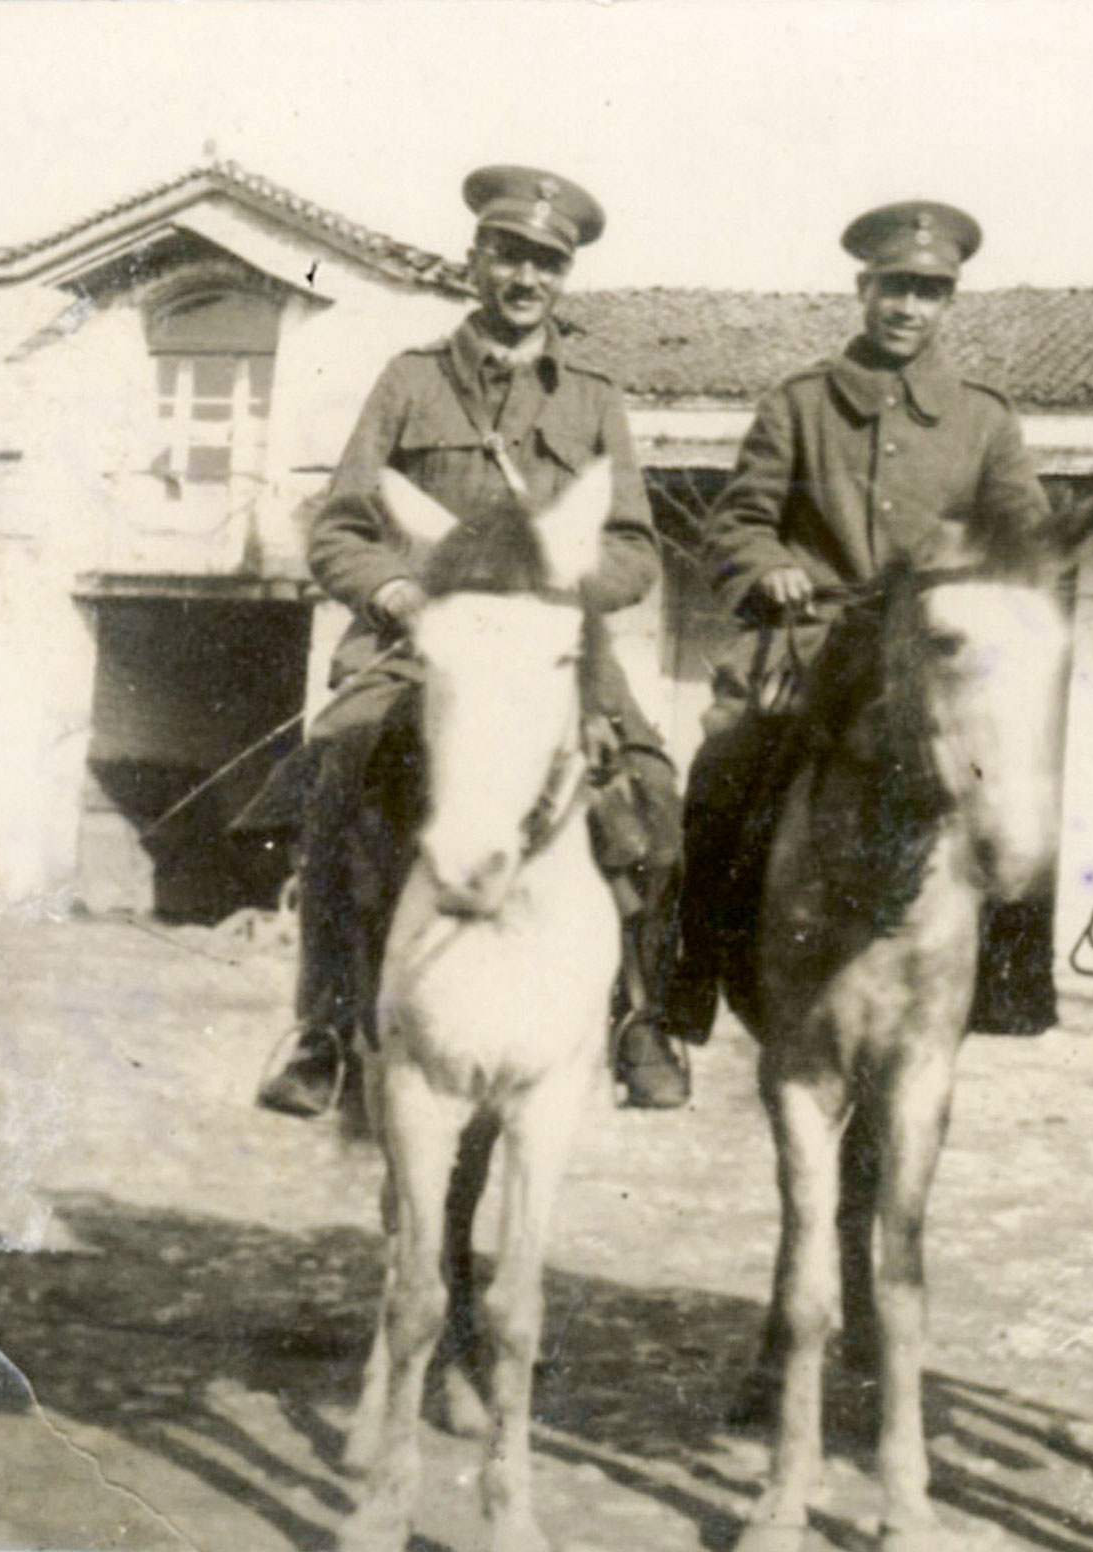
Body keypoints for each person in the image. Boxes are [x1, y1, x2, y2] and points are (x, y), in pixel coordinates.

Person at [254, 165, 687, 1118]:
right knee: (338, 769)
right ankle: (325, 1026)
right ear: (475, 260)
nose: (526, 278)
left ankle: (638, 1013)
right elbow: (340, 526)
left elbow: (633, 548)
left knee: (652, 793)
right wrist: (395, 591)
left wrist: (559, 597)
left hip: (550, 651)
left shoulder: (593, 401)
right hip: (421, 645)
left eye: (546, 263)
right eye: (509, 255)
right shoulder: (410, 382)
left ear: (564, 278)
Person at [659, 200, 1055, 1046]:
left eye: (928, 291)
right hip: (810, 651)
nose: (908, 307)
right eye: (893, 287)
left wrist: (978, 575)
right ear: (863, 288)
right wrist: (767, 567)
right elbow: (737, 524)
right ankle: (688, 978)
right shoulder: (800, 405)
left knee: (1009, 784)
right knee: (723, 768)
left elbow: (1023, 540)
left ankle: (1009, 986)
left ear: (948, 301)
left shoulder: (985, 420)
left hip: (930, 658)